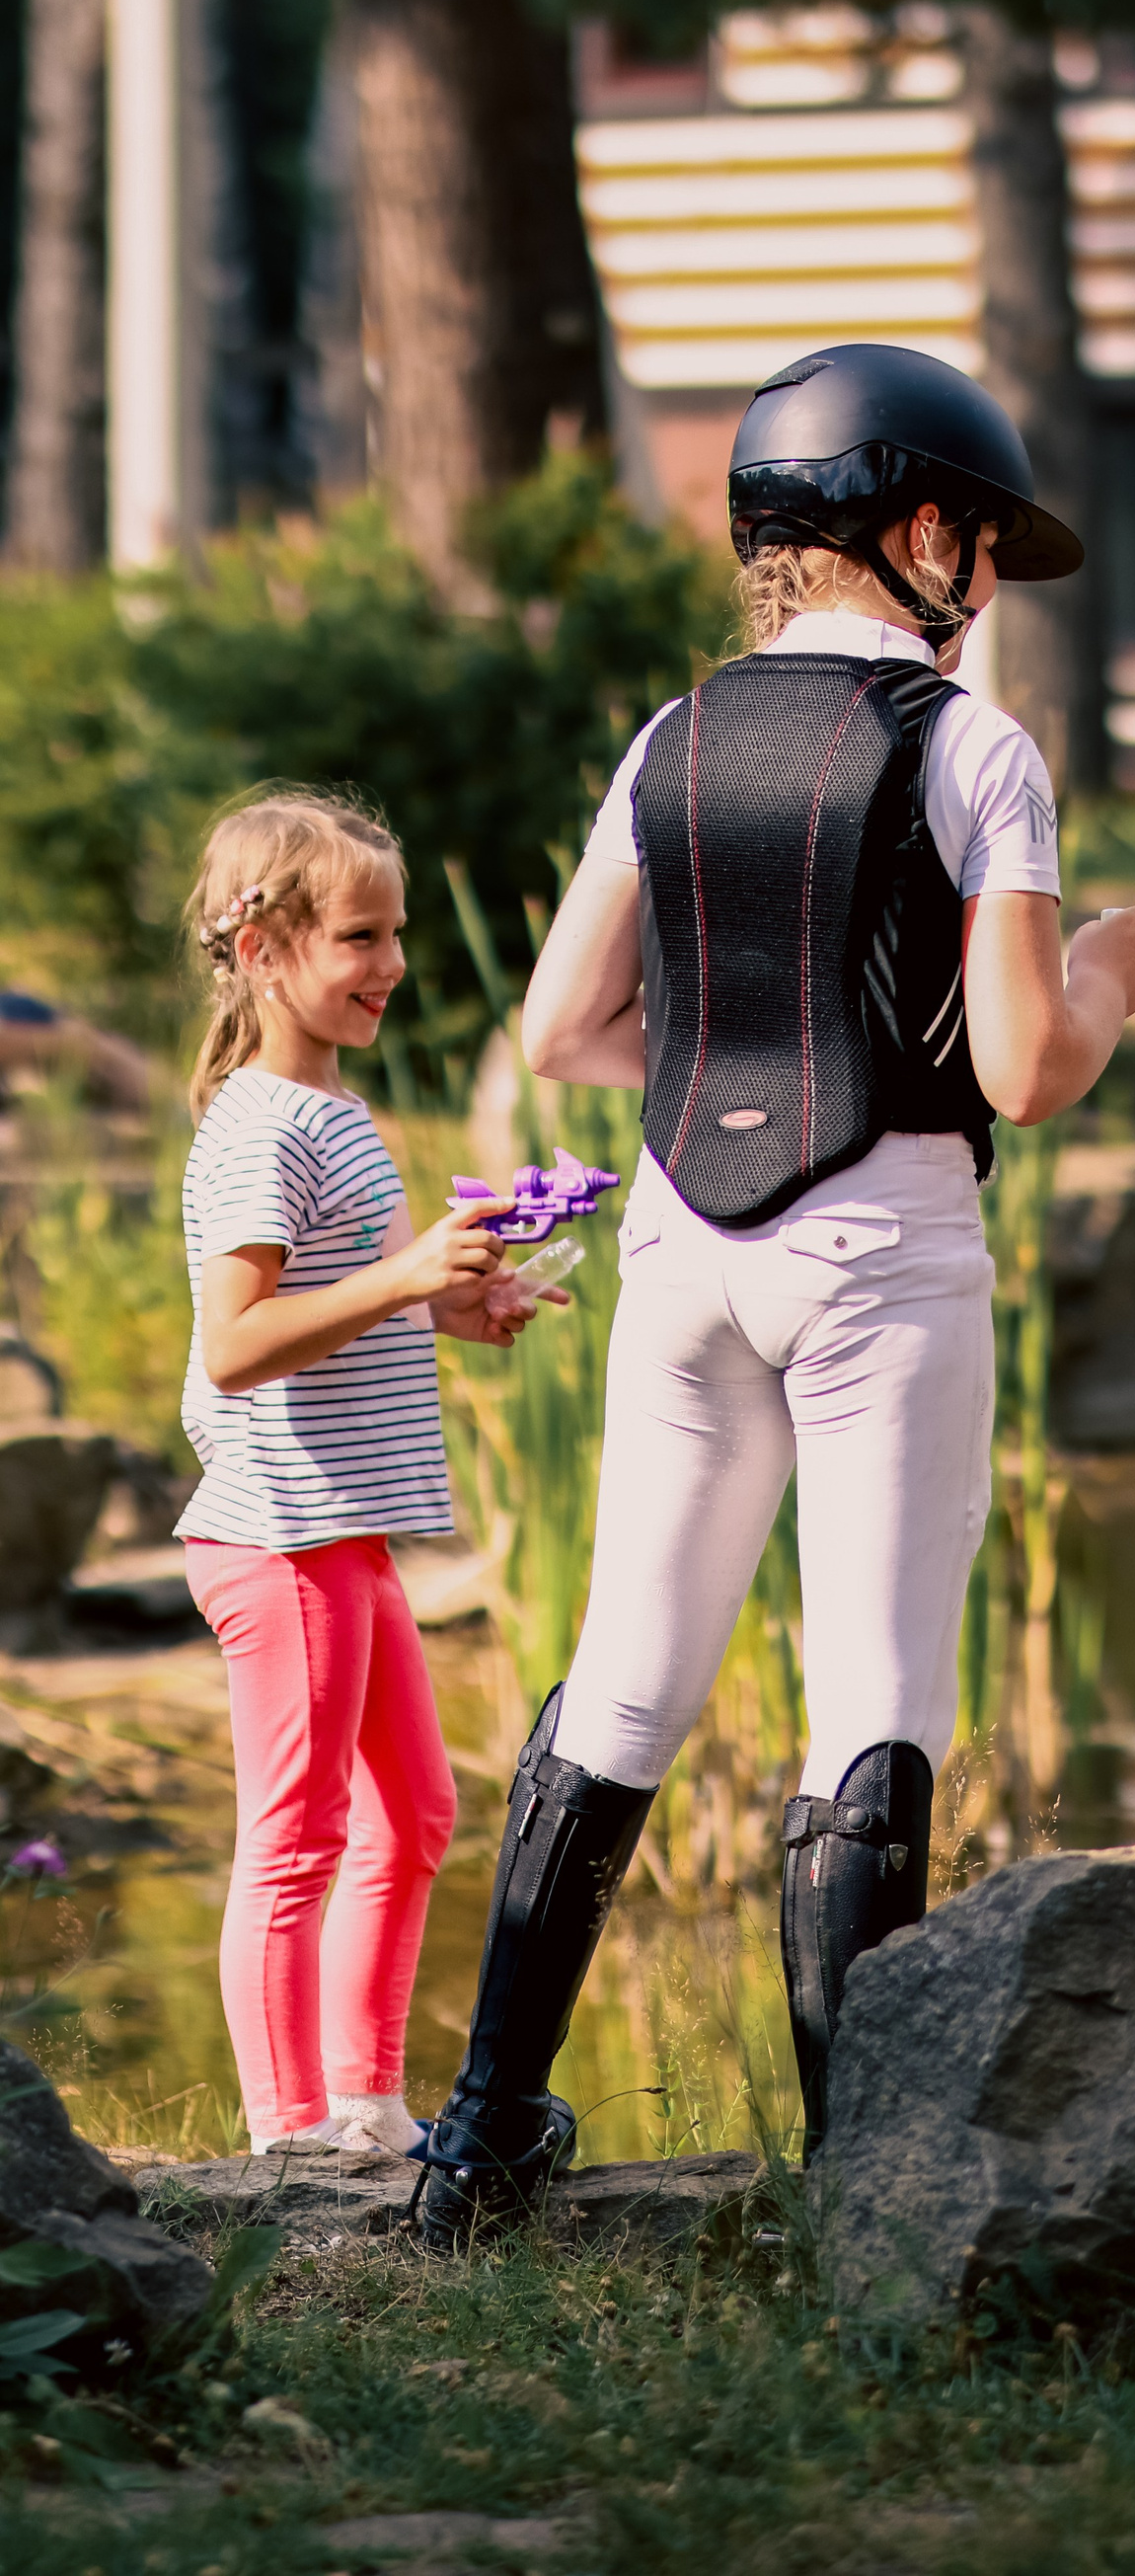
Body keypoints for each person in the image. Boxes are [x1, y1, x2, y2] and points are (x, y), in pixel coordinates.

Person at [416, 342, 1135, 2239]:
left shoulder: (664, 743)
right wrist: (1102, 977)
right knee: (874, 1702)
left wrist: (743, 1041)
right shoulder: (972, 745)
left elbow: (565, 1026)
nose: (986, 585)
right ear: (918, 530)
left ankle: (479, 2139)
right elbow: (1020, 1068)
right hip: (881, 1256)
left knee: (625, 1680)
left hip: (682, 1253)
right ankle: (863, 2203)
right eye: (981, 545)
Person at [176, 791, 544, 2158]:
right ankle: (287, 2143)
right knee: (298, 1837)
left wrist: (451, 1302)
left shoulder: (331, 1107)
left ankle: (370, 2110)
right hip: (280, 1537)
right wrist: (405, 1269)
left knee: (421, 1811)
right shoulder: (259, 1128)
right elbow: (233, 1345)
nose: (390, 961)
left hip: (347, 1528)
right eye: (360, 935)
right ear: (266, 947)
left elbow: (343, 1298)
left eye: (393, 932)